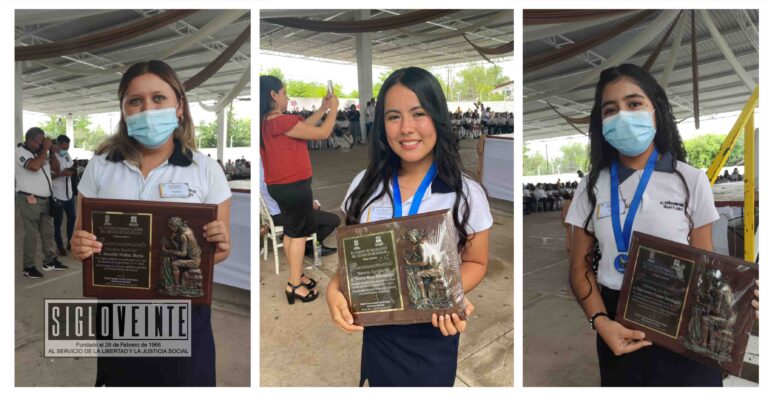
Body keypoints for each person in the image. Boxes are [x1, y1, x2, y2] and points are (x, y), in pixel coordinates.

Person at [565, 63, 759, 386]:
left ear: (656, 111)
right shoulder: (590, 187)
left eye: (634, 103)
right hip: (617, 324)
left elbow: (707, 267)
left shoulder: (691, 180)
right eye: (610, 109)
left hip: (684, 323)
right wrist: (601, 322)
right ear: (601, 123)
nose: (623, 115)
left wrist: (739, 299)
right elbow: (579, 267)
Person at [326, 67, 492, 386]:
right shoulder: (364, 186)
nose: (406, 128)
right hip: (379, 330)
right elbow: (353, 261)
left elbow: (476, 261)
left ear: (438, 118)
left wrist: (447, 295)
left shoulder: (465, 192)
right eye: (393, 116)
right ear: (381, 125)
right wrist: (334, 290)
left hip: (434, 328)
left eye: (419, 113)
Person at [70, 60, 232, 386]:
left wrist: (219, 246)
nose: (147, 108)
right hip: (120, 308)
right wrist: (80, 246)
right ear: (124, 111)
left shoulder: (205, 170)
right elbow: (80, 236)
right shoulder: (101, 166)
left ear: (179, 107)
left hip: (183, 309)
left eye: (158, 98)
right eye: (135, 101)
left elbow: (218, 252)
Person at [260, 75, 339, 304]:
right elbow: (323, 133)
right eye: (284, 93)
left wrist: (323, 108)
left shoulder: (268, 122)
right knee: (298, 235)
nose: (287, 97)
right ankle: (294, 285)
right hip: (294, 186)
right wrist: (333, 109)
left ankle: (297, 275)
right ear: (273, 95)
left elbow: (303, 127)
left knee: (291, 232)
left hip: (281, 186)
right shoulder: (280, 122)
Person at [16, 127, 69, 277]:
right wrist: (45, 148)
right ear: (30, 140)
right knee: (31, 234)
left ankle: (50, 261)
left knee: (48, 232)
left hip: (46, 200)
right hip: (29, 199)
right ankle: (28, 267)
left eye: (43, 141)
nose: (42, 144)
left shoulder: (42, 153)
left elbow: (55, 170)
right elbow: (33, 166)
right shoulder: (20, 152)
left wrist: (52, 152)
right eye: (40, 141)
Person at [259, 161, 339, 258]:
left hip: (272, 215)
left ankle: (305, 241)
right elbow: (286, 199)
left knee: (315, 213)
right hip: (284, 215)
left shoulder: (260, 170)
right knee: (333, 220)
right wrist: (309, 204)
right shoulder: (270, 173)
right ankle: (310, 246)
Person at [51, 134, 77, 256]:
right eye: (64, 147)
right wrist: (61, 173)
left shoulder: (66, 154)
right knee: (58, 222)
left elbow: (71, 166)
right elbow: (49, 176)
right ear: (58, 144)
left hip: (69, 194)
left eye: (68, 147)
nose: (66, 150)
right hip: (58, 194)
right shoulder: (51, 156)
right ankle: (59, 245)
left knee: (72, 218)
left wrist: (72, 171)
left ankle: (70, 243)